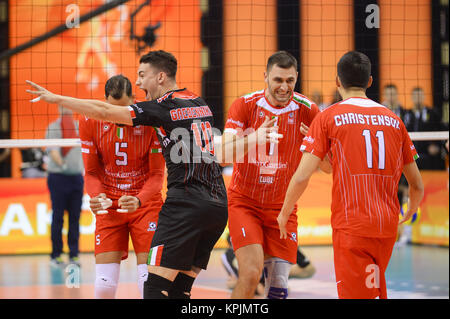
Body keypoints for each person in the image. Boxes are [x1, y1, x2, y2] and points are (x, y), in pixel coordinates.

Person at [26, 50, 228, 300]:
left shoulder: (155, 114)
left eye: (142, 75)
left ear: (160, 77)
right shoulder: (199, 102)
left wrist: (56, 98)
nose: (140, 82)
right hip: (217, 202)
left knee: (153, 287)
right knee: (179, 290)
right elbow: (223, 153)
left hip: (179, 204)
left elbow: (103, 112)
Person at [278, 51, 424, 299]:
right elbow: (416, 184)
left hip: (352, 226)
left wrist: (284, 213)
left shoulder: (328, 117)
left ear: (337, 81)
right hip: (386, 227)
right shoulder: (394, 120)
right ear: (369, 82)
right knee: (372, 292)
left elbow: (302, 177)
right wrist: (410, 211)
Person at [219, 51, 328, 299]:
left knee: (278, 289)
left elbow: (330, 168)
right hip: (245, 202)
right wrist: (253, 137)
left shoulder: (309, 110)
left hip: (282, 207)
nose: (284, 86)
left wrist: (315, 150)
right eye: (278, 80)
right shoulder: (244, 105)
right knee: (249, 275)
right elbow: (223, 155)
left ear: (296, 78)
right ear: (266, 76)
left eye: (290, 80)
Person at [78, 74, 165, 298]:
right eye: (112, 109)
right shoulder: (89, 120)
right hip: (110, 202)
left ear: (134, 100)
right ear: (105, 101)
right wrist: (97, 197)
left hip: (144, 204)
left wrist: (139, 199)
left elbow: (157, 175)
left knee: (148, 280)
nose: (118, 117)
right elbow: (91, 172)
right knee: (105, 284)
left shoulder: (150, 121)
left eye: (123, 110)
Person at [45, 106, 84, 266]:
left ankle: (74, 255)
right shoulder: (53, 127)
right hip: (58, 177)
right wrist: (63, 164)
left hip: (76, 178)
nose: (67, 110)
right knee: (58, 217)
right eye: (64, 107)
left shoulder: (78, 126)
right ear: (59, 109)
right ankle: (56, 255)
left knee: (75, 218)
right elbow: (53, 151)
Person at [409, 87, 446, 170]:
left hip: (428, 157)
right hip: (411, 157)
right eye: (415, 96)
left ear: (424, 97)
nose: (418, 98)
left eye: (420, 95)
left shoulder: (433, 113)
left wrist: (437, 146)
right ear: (412, 98)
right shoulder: (407, 114)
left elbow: (443, 131)